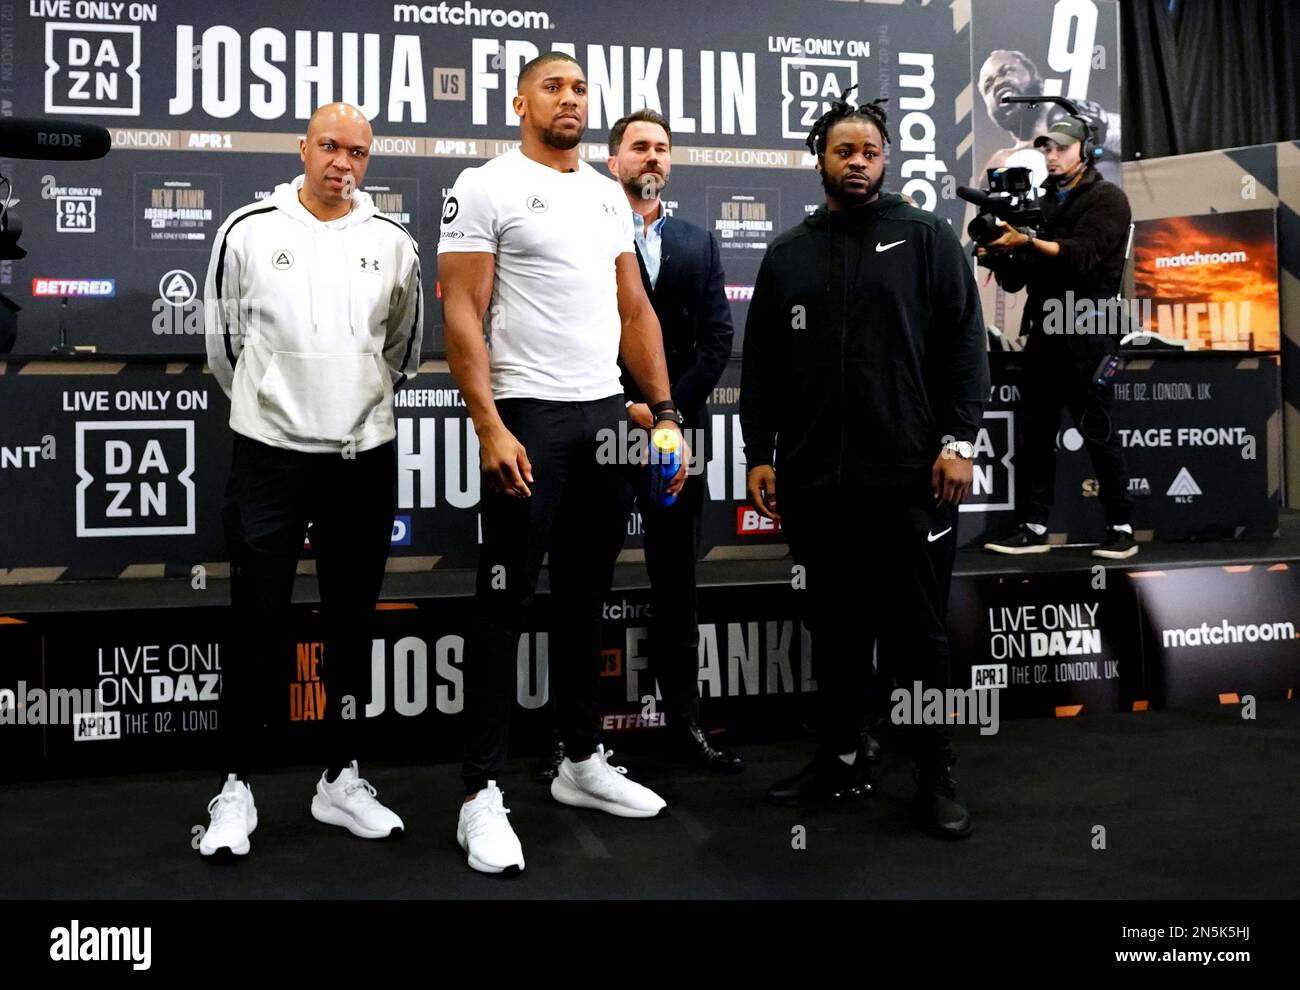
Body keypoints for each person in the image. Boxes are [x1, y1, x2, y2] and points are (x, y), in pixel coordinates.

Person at [438, 52, 688, 875]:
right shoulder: (487, 186)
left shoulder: (606, 193)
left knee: (586, 598)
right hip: (528, 420)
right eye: (555, 86)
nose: (570, 99)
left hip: (605, 416)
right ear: (521, 101)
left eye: (580, 89)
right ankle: (481, 793)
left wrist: (668, 412)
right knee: (501, 606)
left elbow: (632, 307)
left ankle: (581, 761)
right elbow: (462, 311)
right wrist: (489, 424)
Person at [740, 90, 988, 840]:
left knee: (919, 636)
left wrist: (958, 441)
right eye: (844, 151)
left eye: (870, 152)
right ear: (819, 160)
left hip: (910, 478)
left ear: (886, 160)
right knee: (837, 631)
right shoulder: (788, 253)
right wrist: (759, 452)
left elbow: (964, 345)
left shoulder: (926, 237)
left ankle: (934, 770)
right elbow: (765, 369)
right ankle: (842, 758)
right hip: (818, 484)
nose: (858, 162)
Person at [199, 102, 423, 858]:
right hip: (269, 457)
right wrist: (277, 413)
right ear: (302, 147)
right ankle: (235, 788)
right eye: (330, 145)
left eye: (358, 152)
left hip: (362, 460)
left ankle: (341, 776)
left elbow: (401, 350)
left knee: (351, 623)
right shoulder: (247, 229)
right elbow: (224, 348)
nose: (343, 162)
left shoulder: (393, 243)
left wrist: (345, 410)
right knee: (256, 619)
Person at [532, 108, 741, 781]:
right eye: (638, 147)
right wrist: (628, 408)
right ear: (613, 158)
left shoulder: (698, 241)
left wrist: (667, 411)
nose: (651, 158)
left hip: (677, 438)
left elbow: (717, 341)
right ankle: (575, 742)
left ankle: (684, 727)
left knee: (677, 587)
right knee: (579, 587)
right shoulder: (583, 228)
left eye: (661, 148)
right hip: (598, 430)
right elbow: (569, 326)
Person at [979, 114, 1137, 559]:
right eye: (1046, 148)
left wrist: (1026, 244)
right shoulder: (1039, 202)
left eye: (1061, 148)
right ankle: (1031, 526)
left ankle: (1120, 527)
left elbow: (1082, 256)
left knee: (1099, 431)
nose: (1051, 156)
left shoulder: (1108, 199)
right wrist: (1000, 255)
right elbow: (1017, 281)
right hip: (1046, 331)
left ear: (1086, 150)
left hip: (1089, 329)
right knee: (1035, 432)